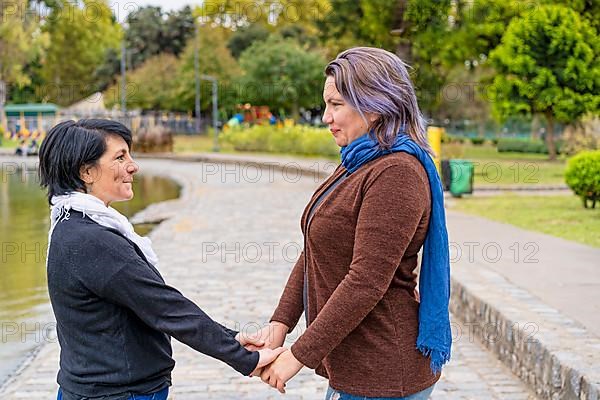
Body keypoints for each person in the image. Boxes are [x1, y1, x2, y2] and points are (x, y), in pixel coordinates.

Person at [254, 47, 452, 399]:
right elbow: (316, 246)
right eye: (326, 105)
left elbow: (365, 281)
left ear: (375, 105)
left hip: (385, 371)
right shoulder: (359, 160)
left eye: (336, 105)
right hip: (357, 371)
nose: (326, 117)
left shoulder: (396, 172)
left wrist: (297, 355)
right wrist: (279, 324)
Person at [38, 119, 285, 400]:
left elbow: (153, 307)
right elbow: (166, 308)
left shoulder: (69, 224)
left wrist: (232, 339)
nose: (133, 165)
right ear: (87, 171)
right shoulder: (93, 241)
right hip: (117, 393)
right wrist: (244, 358)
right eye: (120, 157)